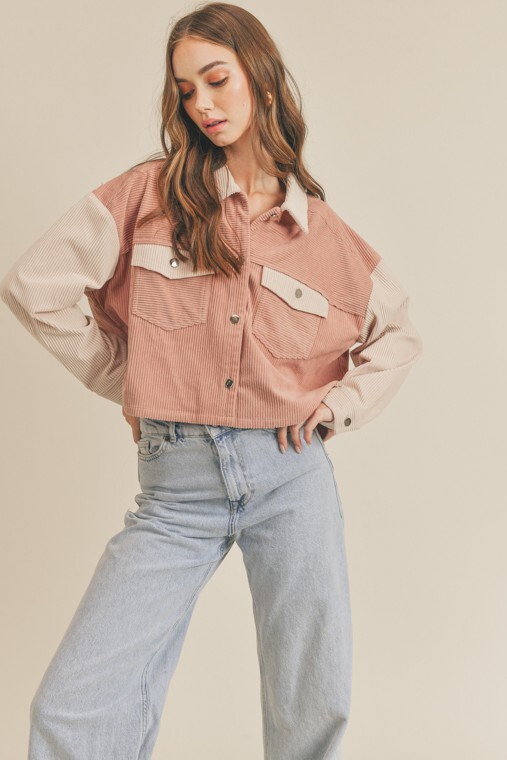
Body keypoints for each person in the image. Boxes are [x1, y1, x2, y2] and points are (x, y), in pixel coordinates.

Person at [0, 3, 423, 758]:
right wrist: (127, 378)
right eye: (185, 89)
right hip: (176, 487)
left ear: (261, 80)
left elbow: (400, 336)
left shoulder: (326, 238)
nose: (201, 103)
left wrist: (338, 406)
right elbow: (36, 286)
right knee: (74, 704)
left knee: (309, 704)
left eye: (216, 79)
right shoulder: (148, 194)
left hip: (290, 477)